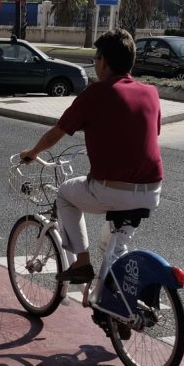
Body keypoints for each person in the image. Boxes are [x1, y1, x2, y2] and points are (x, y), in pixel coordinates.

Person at [19, 29, 162, 284]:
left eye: (96, 58)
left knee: (64, 194)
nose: (95, 63)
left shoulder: (96, 93)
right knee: (113, 247)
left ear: (104, 62)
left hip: (113, 190)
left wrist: (32, 153)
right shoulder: (150, 93)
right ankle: (117, 305)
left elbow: (57, 133)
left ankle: (81, 262)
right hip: (152, 192)